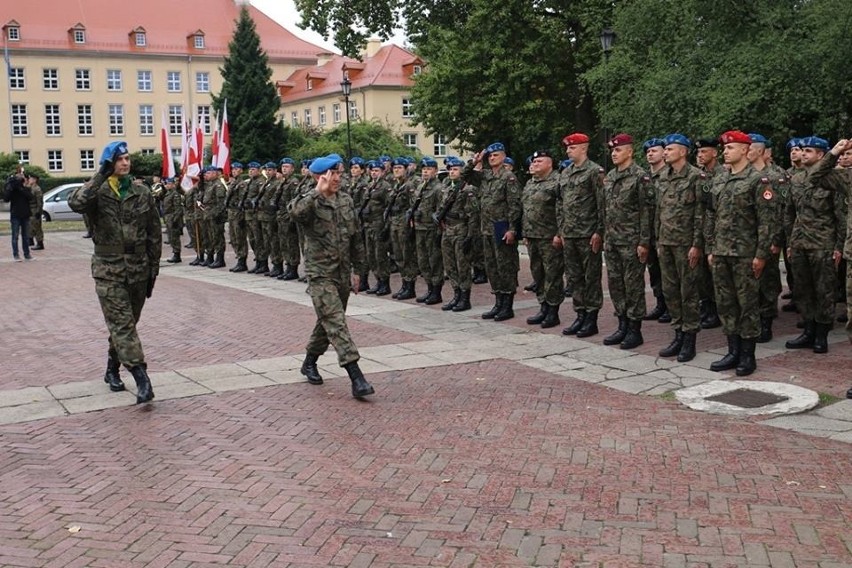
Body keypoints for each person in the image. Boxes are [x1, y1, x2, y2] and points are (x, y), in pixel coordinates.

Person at [68, 141, 161, 403]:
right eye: (119, 159)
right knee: (122, 324)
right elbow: (75, 202)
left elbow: (154, 232)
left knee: (127, 323)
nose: (125, 163)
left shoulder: (141, 192)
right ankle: (142, 378)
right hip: (108, 269)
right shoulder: (97, 192)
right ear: (109, 163)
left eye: (127, 158)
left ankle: (112, 369)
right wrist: (100, 174)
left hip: (139, 269)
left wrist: (154, 267)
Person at [289, 154, 374, 399]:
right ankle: (357, 377)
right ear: (319, 176)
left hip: (341, 272)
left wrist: (359, 270)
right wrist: (317, 191)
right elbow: (294, 214)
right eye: (332, 174)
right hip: (319, 274)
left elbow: (356, 238)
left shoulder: (346, 201)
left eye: (339, 174)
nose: (337, 178)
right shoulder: (308, 201)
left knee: (328, 322)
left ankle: (309, 362)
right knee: (337, 323)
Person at [705, 130, 776, 376]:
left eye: (730, 148)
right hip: (722, 252)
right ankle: (732, 351)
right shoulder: (720, 179)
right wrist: (711, 248)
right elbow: (712, 215)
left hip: (745, 254)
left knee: (747, 305)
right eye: (725, 148)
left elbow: (766, 222)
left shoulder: (759, 180)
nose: (726, 151)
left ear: (745, 150)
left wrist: (761, 255)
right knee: (726, 304)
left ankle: (747, 355)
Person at [784, 137, 849, 354]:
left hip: (823, 243)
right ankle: (808, 331)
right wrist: (791, 242)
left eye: (808, 151)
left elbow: (840, 216)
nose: (803, 154)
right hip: (800, 242)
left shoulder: (832, 180)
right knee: (803, 290)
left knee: (824, 291)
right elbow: (792, 213)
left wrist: (839, 246)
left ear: (821, 155)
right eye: (802, 150)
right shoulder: (795, 180)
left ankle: (822, 335)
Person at [655, 134, 705, 362]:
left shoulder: (696, 177)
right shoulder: (662, 177)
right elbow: (659, 212)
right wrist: (657, 239)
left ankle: (689, 339)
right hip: (666, 242)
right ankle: (677, 333)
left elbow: (701, 214)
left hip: (686, 245)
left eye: (670, 149)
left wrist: (697, 244)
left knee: (689, 292)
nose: (665, 152)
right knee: (671, 291)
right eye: (664, 149)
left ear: (683, 151)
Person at [599, 134, 651, 349]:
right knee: (616, 284)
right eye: (612, 150)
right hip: (612, 241)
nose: (614, 153)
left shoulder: (640, 176)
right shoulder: (610, 176)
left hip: (631, 240)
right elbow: (605, 210)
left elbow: (647, 211)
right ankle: (621, 325)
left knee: (633, 286)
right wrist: (604, 236)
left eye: (618, 150)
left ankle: (634, 330)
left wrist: (644, 241)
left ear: (630, 151)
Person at [463, 142, 522, 321]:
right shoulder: (486, 176)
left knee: (505, 267)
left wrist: (513, 229)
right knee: (492, 267)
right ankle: (498, 302)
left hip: (501, 228)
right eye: (489, 156)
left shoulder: (508, 177)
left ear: (503, 156)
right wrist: (475, 161)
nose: (492, 158)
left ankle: (507, 306)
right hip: (486, 229)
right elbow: (465, 175)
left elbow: (515, 205)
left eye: (495, 155)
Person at [558, 133, 605, 337]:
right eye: (568, 148)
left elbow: (602, 204)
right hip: (570, 234)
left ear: (584, 148)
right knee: (575, 277)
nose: (568, 151)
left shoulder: (595, 171)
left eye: (572, 147)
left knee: (591, 277)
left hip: (588, 234)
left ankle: (591, 319)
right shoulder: (566, 172)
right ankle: (580, 314)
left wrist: (599, 231)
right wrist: (561, 230)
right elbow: (560, 203)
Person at [521, 150, 564, 328]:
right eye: (534, 161)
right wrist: (525, 233)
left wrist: (559, 234)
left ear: (549, 164)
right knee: (538, 274)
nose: (535, 164)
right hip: (533, 236)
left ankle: (553, 311)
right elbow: (526, 210)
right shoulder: (530, 183)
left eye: (539, 161)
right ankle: (543, 306)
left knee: (552, 275)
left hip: (549, 237)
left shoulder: (557, 182)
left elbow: (562, 210)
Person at [437, 157, 479, 312]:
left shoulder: (468, 189)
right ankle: (456, 295)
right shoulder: (448, 189)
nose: (451, 172)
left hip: (461, 229)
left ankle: (465, 298)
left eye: (455, 169)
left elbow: (473, 215)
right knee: (450, 265)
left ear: (462, 170)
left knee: (462, 266)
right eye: (450, 169)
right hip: (448, 230)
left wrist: (470, 236)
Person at [412, 157, 445, 305]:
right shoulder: (420, 187)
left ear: (435, 171)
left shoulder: (438, 188)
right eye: (423, 169)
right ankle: (429, 288)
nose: (425, 172)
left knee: (434, 261)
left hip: (431, 229)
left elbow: (441, 211)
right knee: (423, 261)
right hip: (420, 228)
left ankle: (436, 292)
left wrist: (439, 230)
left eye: (429, 169)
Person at [642, 138, 668, 322]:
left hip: (665, 232)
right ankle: (660, 303)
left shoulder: (669, 175)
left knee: (668, 271)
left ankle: (670, 306)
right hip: (648, 231)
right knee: (654, 270)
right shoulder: (644, 178)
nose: (650, 154)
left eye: (654, 151)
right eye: (648, 151)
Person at [3, 170, 33, 261]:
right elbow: (6, 199)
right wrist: (10, 187)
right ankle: (16, 255)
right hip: (15, 214)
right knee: (15, 236)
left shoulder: (24, 188)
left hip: (25, 215)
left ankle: (27, 254)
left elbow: (30, 197)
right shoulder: (12, 189)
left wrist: (21, 188)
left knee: (26, 236)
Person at [161, 177, 184, 263]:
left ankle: (177, 254)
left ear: (173, 185)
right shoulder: (167, 193)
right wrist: (163, 188)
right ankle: (175, 252)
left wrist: (175, 220)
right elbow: (160, 196)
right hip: (168, 217)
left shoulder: (175, 194)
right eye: (167, 184)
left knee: (174, 237)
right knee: (171, 237)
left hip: (172, 217)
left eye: (169, 184)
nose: (167, 185)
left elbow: (178, 208)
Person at [26, 173, 45, 250]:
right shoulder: (30, 187)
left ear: (34, 180)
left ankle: (40, 243)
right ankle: (31, 241)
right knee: (31, 226)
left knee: (37, 227)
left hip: (35, 209)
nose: (29, 180)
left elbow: (39, 202)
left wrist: (38, 212)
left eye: (30, 179)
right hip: (30, 209)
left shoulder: (37, 189)